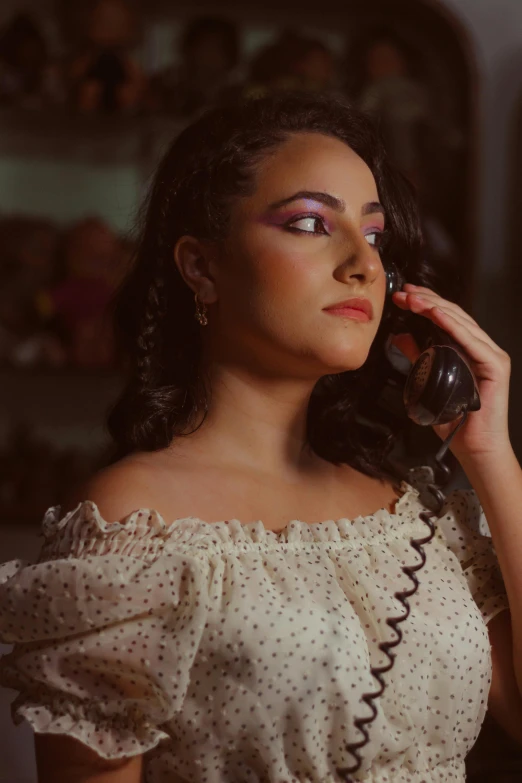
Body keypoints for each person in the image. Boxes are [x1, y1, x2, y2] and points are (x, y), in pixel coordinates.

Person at [0, 91, 521, 783]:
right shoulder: (133, 527)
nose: (362, 264)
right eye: (310, 222)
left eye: (373, 237)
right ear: (201, 267)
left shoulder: (413, 510)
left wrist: (491, 455)